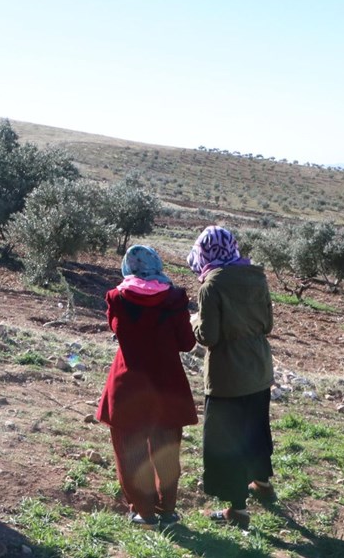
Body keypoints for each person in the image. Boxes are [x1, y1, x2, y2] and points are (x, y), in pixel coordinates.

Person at [96, 245, 199, 528]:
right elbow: (187, 343)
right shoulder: (175, 298)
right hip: (167, 387)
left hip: (128, 386)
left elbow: (116, 330)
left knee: (131, 452)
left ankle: (144, 512)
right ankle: (167, 511)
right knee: (166, 451)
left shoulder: (117, 297)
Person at [187, 225, 275, 529]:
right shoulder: (256, 276)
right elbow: (267, 325)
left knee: (228, 442)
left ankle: (237, 511)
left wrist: (194, 320)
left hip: (228, 377)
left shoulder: (211, 285)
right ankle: (262, 484)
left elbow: (208, 337)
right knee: (256, 431)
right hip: (259, 370)